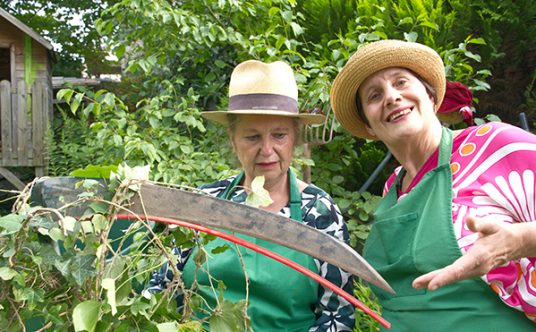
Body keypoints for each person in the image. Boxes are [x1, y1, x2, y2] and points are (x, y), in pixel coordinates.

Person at [330, 39, 536, 331]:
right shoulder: (392, 189)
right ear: (369, 127)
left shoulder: (495, 147)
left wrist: (520, 240)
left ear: (431, 96)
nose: (391, 97)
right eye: (374, 96)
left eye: (401, 82)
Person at [147, 59, 355, 331]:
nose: (267, 150)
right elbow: (162, 285)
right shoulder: (205, 202)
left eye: (279, 135)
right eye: (252, 137)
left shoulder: (318, 212)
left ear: (294, 138)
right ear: (233, 140)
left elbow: (337, 316)